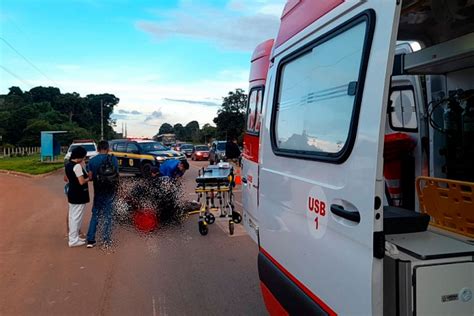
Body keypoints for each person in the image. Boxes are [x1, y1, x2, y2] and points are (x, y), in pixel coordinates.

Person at [86, 140, 119, 248]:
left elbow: (90, 177)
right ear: (108, 148)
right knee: (108, 215)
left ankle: (91, 239)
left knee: (95, 214)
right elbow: (117, 175)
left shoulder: (92, 161)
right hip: (110, 190)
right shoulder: (113, 159)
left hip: (98, 190)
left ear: (97, 149)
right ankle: (106, 239)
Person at [65, 146, 90, 247]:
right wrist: (89, 178)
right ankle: (73, 240)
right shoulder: (77, 166)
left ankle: (74, 237)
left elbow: (67, 179)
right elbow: (81, 181)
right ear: (79, 156)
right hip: (79, 194)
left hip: (72, 193)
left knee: (72, 216)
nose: (84, 159)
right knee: (76, 217)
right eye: (83, 157)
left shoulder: (68, 165)